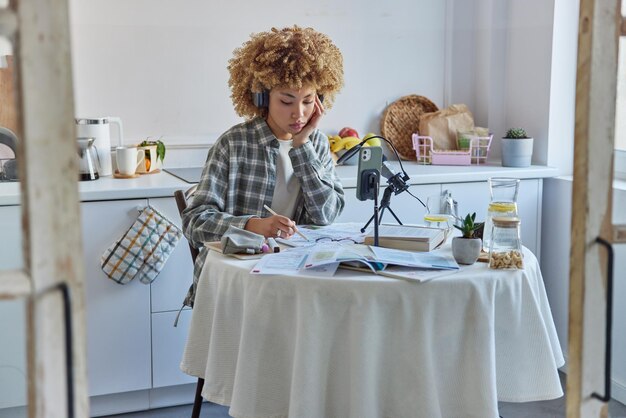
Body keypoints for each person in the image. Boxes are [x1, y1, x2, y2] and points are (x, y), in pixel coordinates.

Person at [181, 26, 345, 307]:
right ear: (261, 97)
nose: (299, 113)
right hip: (238, 284)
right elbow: (195, 222)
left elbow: (326, 215)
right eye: (286, 101)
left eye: (308, 101)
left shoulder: (315, 144)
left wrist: (302, 147)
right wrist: (254, 226)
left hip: (294, 277)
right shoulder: (233, 144)